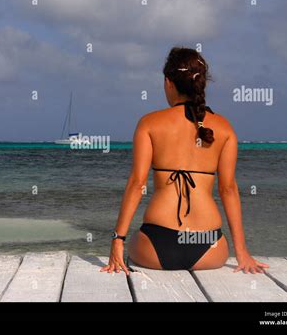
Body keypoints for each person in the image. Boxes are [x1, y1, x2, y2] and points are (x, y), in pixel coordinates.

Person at [101, 47, 269, 275]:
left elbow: (136, 183)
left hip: (157, 244)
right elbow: (228, 189)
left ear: (169, 82)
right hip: (210, 248)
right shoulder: (225, 127)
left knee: (131, 246)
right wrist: (242, 252)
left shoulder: (149, 123)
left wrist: (117, 239)